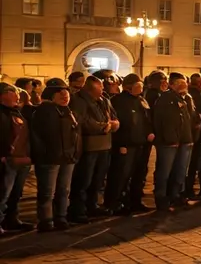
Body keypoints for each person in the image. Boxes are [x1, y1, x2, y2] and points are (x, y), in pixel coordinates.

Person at [31, 79, 80, 232]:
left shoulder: (68, 111)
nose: (65, 98)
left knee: (64, 190)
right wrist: (43, 154)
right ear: (52, 96)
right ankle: (46, 220)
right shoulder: (43, 111)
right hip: (49, 158)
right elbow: (38, 136)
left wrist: (75, 152)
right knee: (47, 192)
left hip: (67, 157)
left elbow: (75, 133)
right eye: (61, 95)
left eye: (67, 95)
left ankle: (61, 217)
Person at [68, 75, 118, 222]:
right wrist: (103, 127)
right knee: (84, 180)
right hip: (90, 147)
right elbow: (82, 121)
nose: (103, 88)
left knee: (98, 180)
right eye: (100, 86)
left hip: (105, 146)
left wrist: (115, 123)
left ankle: (92, 205)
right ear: (91, 89)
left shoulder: (104, 100)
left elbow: (113, 116)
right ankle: (78, 210)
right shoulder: (78, 100)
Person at [108, 73, 154, 214]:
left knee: (139, 174)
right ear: (129, 86)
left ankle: (135, 201)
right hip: (127, 145)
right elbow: (119, 124)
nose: (141, 87)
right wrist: (121, 144)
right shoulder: (118, 101)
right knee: (122, 175)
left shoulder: (141, 100)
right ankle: (117, 203)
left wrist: (149, 132)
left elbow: (147, 119)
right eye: (138, 84)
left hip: (141, 144)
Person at [151, 73, 196, 211]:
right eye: (179, 84)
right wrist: (168, 138)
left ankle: (176, 195)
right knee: (164, 171)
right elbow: (160, 121)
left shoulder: (185, 99)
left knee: (180, 170)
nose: (183, 86)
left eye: (184, 83)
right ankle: (161, 197)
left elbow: (189, 119)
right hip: (169, 143)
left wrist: (189, 137)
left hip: (184, 140)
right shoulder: (165, 99)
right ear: (172, 85)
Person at [0, 82, 34, 235]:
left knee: (16, 193)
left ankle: (12, 219)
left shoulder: (16, 111)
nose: (18, 96)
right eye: (14, 93)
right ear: (4, 95)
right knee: (3, 193)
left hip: (21, 158)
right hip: (7, 159)